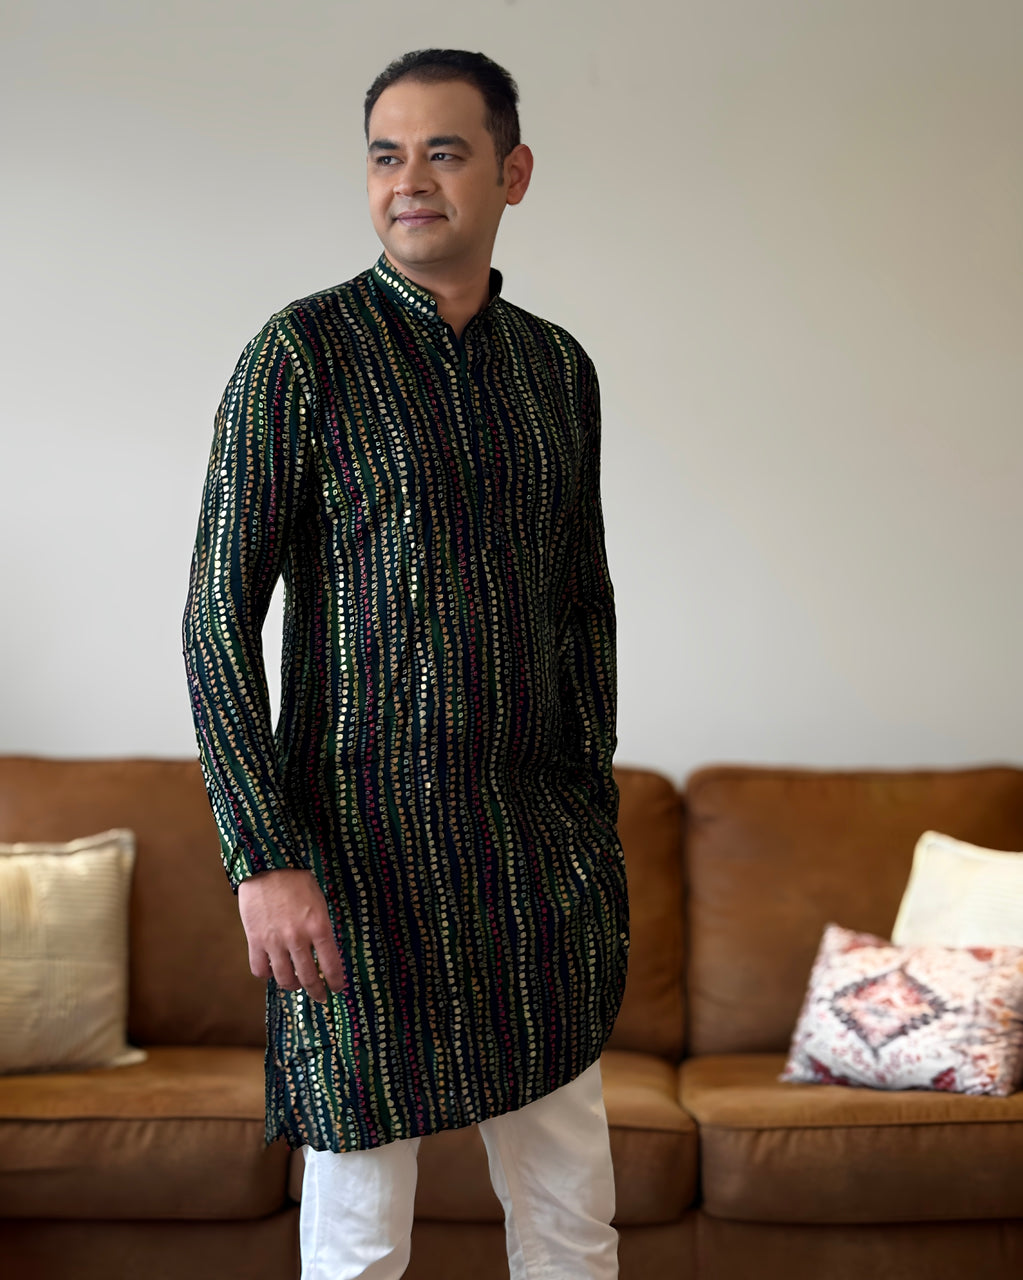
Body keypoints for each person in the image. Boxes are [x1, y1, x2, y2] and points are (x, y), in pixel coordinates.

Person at [182, 48, 629, 1280]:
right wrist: (262, 854)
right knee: (361, 1235)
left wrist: (588, 809)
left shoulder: (557, 371)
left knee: (570, 1216)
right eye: (386, 155)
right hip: (353, 861)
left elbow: (582, 607)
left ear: (511, 172)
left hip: (535, 866)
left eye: (444, 151)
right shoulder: (302, 354)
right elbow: (217, 613)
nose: (409, 181)